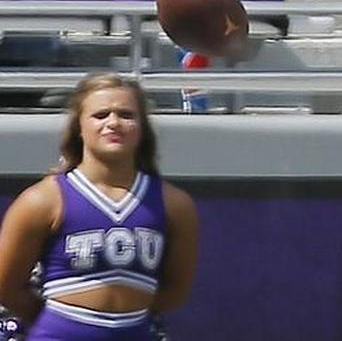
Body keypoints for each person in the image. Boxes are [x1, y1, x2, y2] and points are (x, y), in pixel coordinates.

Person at [0, 73, 198, 340]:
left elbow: (176, 290)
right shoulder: (42, 200)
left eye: (126, 115)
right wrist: (62, 321)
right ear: (79, 127)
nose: (113, 123)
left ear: (142, 128)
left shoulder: (174, 204)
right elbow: (6, 286)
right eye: (101, 115)